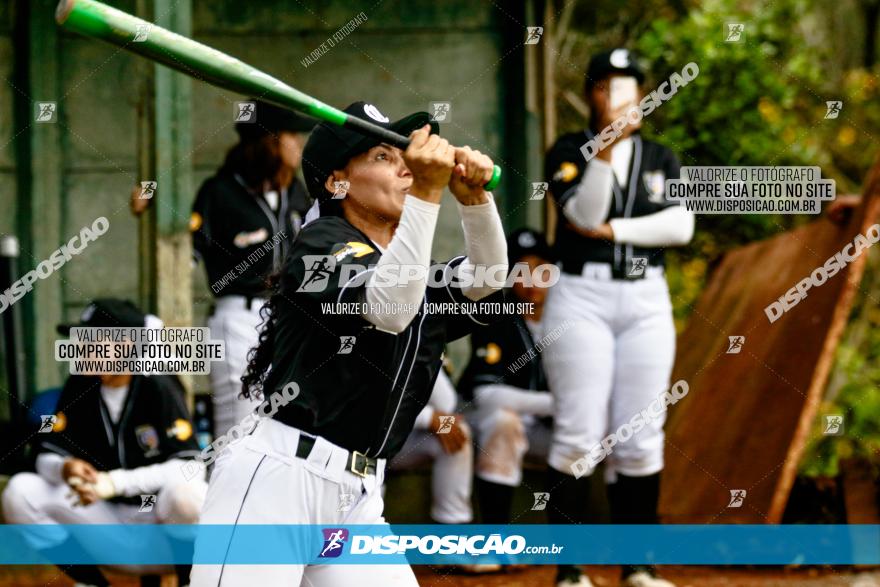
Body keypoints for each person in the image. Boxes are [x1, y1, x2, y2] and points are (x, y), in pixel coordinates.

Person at [189, 101, 508, 586]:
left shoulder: (407, 268)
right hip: (276, 484)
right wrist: (426, 189)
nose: (404, 165)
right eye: (383, 156)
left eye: (403, 155)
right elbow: (389, 308)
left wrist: (474, 200)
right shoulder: (321, 242)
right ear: (337, 181)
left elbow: (488, 279)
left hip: (356, 498)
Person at [542, 48, 695, 587]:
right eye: (608, 87)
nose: (619, 98)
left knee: (642, 436)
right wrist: (604, 150)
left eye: (629, 87)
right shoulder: (568, 149)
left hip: (646, 297)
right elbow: (583, 216)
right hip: (582, 294)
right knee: (578, 436)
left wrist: (617, 233)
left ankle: (639, 568)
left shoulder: (661, 155)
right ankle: (570, 572)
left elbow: (681, 228)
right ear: (592, 95)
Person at [1, 299, 208, 587]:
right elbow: (44, 452)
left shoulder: (157, 385)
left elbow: (190, 468)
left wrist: (112, 483)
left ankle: (190, 581)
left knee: (186, 495)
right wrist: (65, 468)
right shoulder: (80, 385)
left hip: (161, 535)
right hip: (108, 527)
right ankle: (92, 582)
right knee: (20, 491)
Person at [189, 100, 315, 438]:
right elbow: (185, 255)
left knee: (284, 433)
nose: (299, 144)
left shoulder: (295, 191)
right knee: (238, 434)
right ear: (270, 140)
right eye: (291, 135)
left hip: (287, 320)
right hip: (239, 319)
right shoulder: (220, 191)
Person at [458, 228, 555, 526]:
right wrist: (560, 404)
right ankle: (494, 538)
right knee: (504, 422)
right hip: (480, 423)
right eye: (522, 271)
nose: (532, 280)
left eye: (540, 269)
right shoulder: (496, 314)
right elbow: (488, 395)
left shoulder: (570, 317)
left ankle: (584, 546)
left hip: (543, 430)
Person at [387, 369, 474, 527]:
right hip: (352, 445)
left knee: (457, 430)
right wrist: (428, 417)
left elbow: (446, 403)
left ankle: (452, 534)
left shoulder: (421, 346)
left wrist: (427, 349)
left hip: (397, 441)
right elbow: (372, 402)